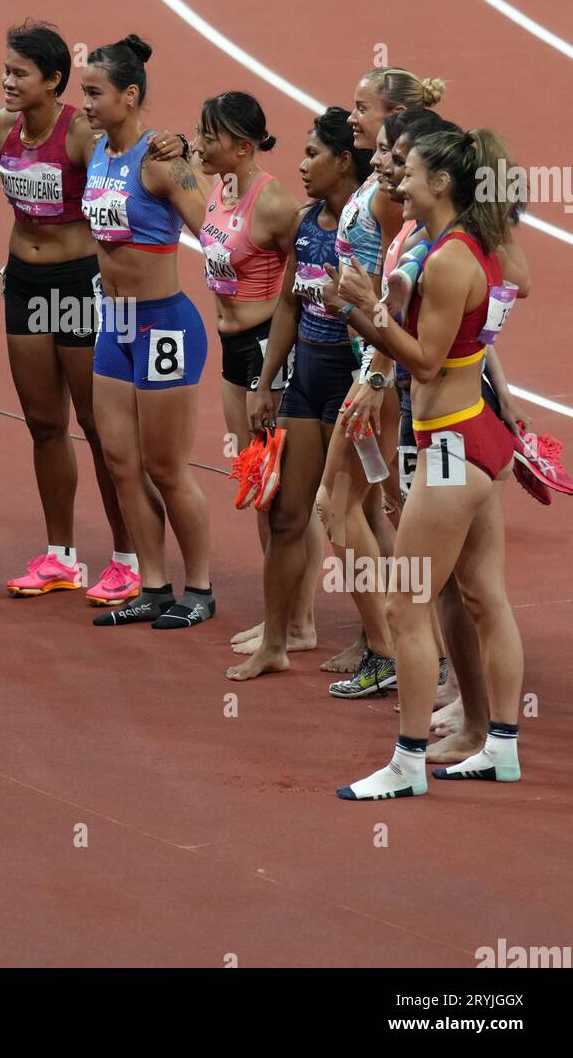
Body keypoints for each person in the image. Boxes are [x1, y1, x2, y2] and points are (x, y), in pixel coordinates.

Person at [333, 125, 524, 799]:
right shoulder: (479, 243)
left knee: (407, 604)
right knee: (481, 595)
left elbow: (423, 361)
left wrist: (360, 311)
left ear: (440, 183)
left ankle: (406, 763)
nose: (398, 181)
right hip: (476, 435)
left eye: (408, 172)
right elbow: (505, 296)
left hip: (449, 445)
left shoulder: (446, 260)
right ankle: (500, 745)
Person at [0, 23, 141, 603]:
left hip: (77, 285)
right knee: (43, 424)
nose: (7, 82)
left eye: (19, 73)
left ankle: (128, 557)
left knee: (97, 425)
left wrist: (171, 148)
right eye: (5, 71)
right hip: (25, 284)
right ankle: (60, 556)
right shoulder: (3, 128)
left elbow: (131, 163)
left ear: (54, 81)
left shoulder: (81, 135)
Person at [227, 108, 372, 676]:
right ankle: (277, 643)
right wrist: (266, 383)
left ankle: (374, 638)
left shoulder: (366, 228)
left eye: (314, 154)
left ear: (343, 160)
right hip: (306, 377)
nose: (303, 164)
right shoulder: (308, 223)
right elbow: (288, 303)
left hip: (348, 380)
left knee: (351, 518)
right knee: (287, 515)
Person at [315, 67, 447, 687]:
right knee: (382, 509)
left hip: (379, 368)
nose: (351, 117)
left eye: (362, 108)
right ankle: (409, 643)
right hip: (369, 357)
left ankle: (388, 649)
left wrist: (378, 368)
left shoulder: (395, 196)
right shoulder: (378, 180)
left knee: (338, 509)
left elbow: (401, 286)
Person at [79, 35, 213, 629]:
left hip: (165, 325)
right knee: (120, 462)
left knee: (165, 466)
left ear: (130, 96)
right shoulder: (97, 151)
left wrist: (186, 151)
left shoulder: (160, 161)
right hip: (117, 323)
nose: (83, 102)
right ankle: (154, 585)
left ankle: (201, 588)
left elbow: (216, 225)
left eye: (94, 92)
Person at [185, 91, 324, 660]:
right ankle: (278, 616)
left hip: (268, 352)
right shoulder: (219, 184)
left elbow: (310, 265)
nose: (201, 142)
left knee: (287, 494)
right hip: (229, 347)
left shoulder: (273, 204)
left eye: (210, 135)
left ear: (242, 145)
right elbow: (177, 163)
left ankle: (301, 620)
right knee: (258, 487)